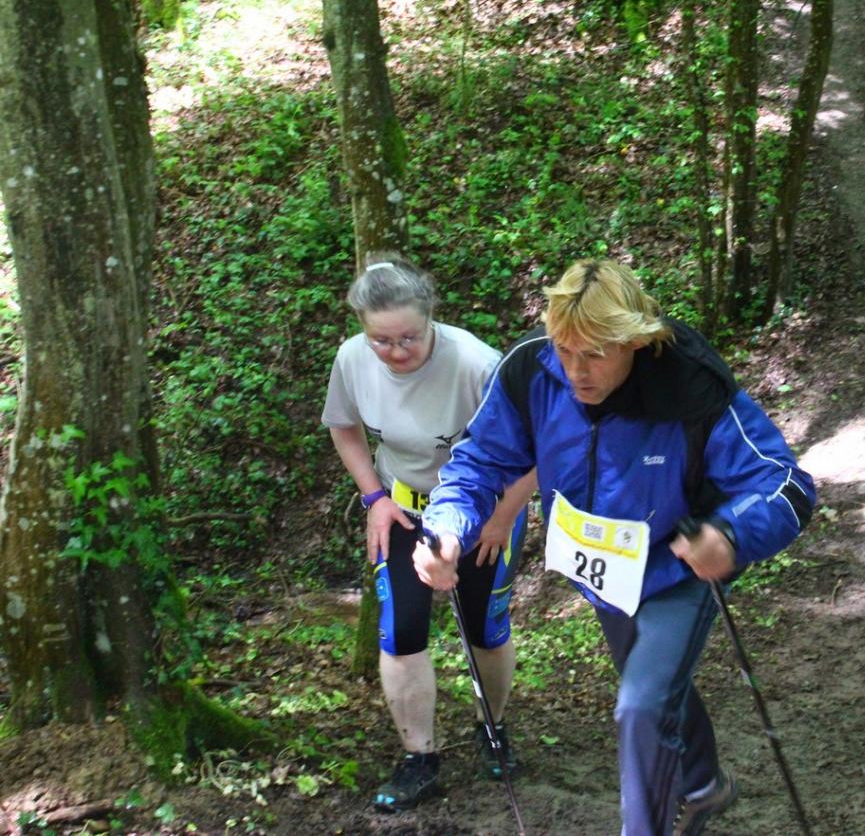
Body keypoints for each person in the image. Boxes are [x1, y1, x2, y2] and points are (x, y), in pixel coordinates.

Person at [414, 258, 816, 835]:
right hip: (602, 570)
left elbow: (784, 482)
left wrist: (728, 535)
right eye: (566, 349)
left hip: (678, 567)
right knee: (652, 687)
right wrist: (448, 526)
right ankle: (703, 785)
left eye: (596, 353)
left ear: (635, 341)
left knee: (641, 706)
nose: (577, 370)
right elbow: (480, 462)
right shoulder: (532, 370)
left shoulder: (689, 385)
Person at [321, 252, 537, 813]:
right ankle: (420, 757)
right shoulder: (351, 360)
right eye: (381, 341)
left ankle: (494, 728)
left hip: (486, 511)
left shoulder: (476, 363)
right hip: (404, 509)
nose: (396, 352)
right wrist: (373, 496)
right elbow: (343, 427)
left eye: (409, 338)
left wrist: (503, 516)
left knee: (485, 628)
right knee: (401, 630)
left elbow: (535, 448)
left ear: (431, 318)